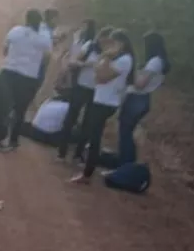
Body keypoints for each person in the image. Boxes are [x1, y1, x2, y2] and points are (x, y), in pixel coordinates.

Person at [71, 29, 135, 184]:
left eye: (113, 43)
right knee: (93, 137)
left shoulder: (124, 60)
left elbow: (101, 77)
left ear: (122, 43)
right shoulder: (116, 58)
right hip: (101, 100)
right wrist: (104, 60)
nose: (109, 46)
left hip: (106, 102)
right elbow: (97, 73)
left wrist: (105, 57)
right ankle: (87, 171)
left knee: (94, 138)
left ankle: (87, 174)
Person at [0, 9, 52, 151]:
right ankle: (13, 141)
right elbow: (47, 57)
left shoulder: (15, 30)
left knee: (4, 106)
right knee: (20, 110)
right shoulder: (43, 37)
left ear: (26, 19)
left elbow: (5, 50)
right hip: (28, 76)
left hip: (9, 71)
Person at [57, 25, 113, 162]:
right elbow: (74, 62)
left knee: (88, 124)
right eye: (103, 38)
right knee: (70, 118)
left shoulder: (113, 54)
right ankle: (61, 152)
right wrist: (86, 64)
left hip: (97, 91)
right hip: (81, 87)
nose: (103, 42)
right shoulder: (89, 46)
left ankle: (78, 154)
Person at [118, 31, 170, 164]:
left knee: (126, 132)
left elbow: (141, 84)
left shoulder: (154, 62)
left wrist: (130, 75)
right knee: (127, 131)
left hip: (137, 98)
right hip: (141, 99)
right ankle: (126, 162)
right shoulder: (158, 62)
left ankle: (125, 163)